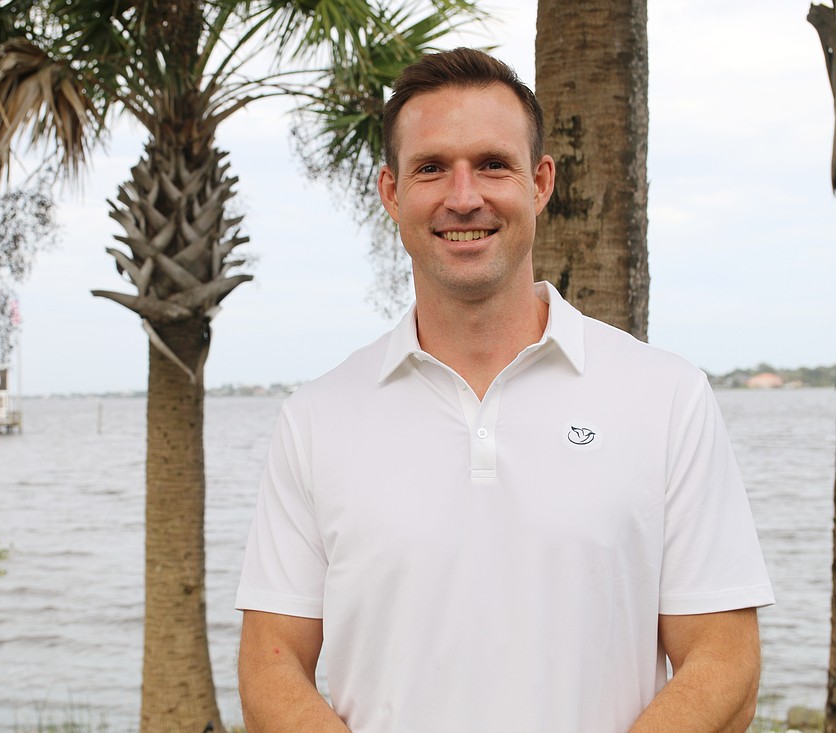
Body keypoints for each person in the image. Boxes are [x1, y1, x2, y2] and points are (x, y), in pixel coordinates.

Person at [234, 47, 774, 732]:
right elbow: (269, 667)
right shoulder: (316, 419)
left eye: (492, 163)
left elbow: (724, 661)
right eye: (432, 168)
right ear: (392, 192)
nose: (465, 197)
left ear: (540, 181)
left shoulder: (666, 397)